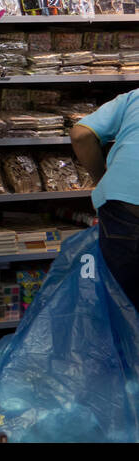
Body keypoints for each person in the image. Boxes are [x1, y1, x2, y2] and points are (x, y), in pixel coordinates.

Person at [72, 90, 139, 306]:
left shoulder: (134, 97)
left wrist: (102, 178)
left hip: (121, 203)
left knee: (120, 301)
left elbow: (80, 134)